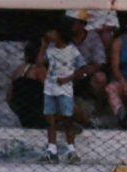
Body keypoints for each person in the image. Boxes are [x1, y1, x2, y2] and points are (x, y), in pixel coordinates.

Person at [37, 21, 88, 164]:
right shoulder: (50, 50)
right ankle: (52, 150)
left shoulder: (72, 51)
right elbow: (39, 63)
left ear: (59, 33)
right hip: (49, 89)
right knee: (50, 119)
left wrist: (68, 78)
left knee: (68, 120)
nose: (49, 34)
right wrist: (43, 46)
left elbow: (82, 69)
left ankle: (71, 150)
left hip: (65, 90)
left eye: (52, 31)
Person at [67, 10, 108, 105]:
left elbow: (100, 62)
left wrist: (83, 73)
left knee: (100, 78)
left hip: (88, 74)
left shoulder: (92, 36)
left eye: (73, 22)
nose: (69, 25)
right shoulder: (64, 38)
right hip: (69, 75)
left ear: (82, 24)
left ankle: (99, 110)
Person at [6, 40, 47, 129]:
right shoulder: (39, 70)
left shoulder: (18, 70)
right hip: (40, 113)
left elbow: (9, 97)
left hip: (23, 114)